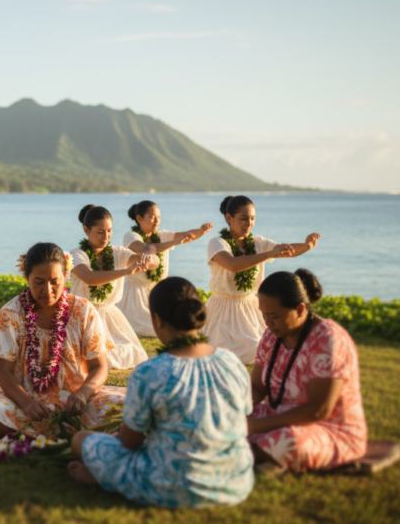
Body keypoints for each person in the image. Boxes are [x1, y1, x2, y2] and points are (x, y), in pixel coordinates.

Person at [69, 277, 255, 508]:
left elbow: (130, 442)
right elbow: (243, 421)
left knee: (81, 440)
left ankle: (102, 477)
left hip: (170, 485)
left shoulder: (149, 372)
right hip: (234, 481)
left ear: (156, 320)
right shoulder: (232, 362)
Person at [0, 242, 124, 438]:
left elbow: (99, 367)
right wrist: (26, 403)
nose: (48, 290)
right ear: (26, 278)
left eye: (54, 281)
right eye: (39, 281)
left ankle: (41, 438)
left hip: (77, 403)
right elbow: (2, 371)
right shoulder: (11, 313)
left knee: (124, 409)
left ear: (66, 276)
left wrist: (83, 394)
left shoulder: (83, 310)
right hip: (26, 400)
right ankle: (72, 436)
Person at [247, 269, 367, 473]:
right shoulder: (271, 335)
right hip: (275, 417)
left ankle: (237, 458)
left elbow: (319, 410)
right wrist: (233, 410)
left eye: (273, 316)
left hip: (327, 428)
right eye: (263, 314)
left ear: (300, 309)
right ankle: (251, 454)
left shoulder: (328, 339)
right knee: (220, 421)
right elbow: (257, 387)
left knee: (288, 440)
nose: (267, 322)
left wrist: (258, 426)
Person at [203, 195, 321, 364]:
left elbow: (285, 250)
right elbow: (233, 264)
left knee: (261, 347)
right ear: (229, 218)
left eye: (252, 219)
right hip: (223, 308)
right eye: (243, 219)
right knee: (225, 352)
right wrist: (268, 254)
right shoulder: (217, 243)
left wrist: (306, 245)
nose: (248, 224)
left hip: (251, 307)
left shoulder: (258, 243)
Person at [68, 204, 158, 370]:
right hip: (83, 315)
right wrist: (125, 271)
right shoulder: (77, 254)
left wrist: (148, 259)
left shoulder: (117, 252)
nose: (106, 236)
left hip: (110, 316)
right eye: (100, 231)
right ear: (86, 230)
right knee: (96, 357)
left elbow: (154, 262)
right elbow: (89, 278)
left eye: (109, 230)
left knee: (129, 352)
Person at [119, 200, 213, 337]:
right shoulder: (131, 236)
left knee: (176, 321)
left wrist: (201, 231)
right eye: (152, 217)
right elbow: (145, 249)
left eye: (159, 217)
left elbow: (186, 236)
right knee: (156, 328)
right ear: (139, 218)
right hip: (137, 295)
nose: (156, 221)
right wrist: (175, 242)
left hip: (159, 291)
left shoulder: (162, 236)